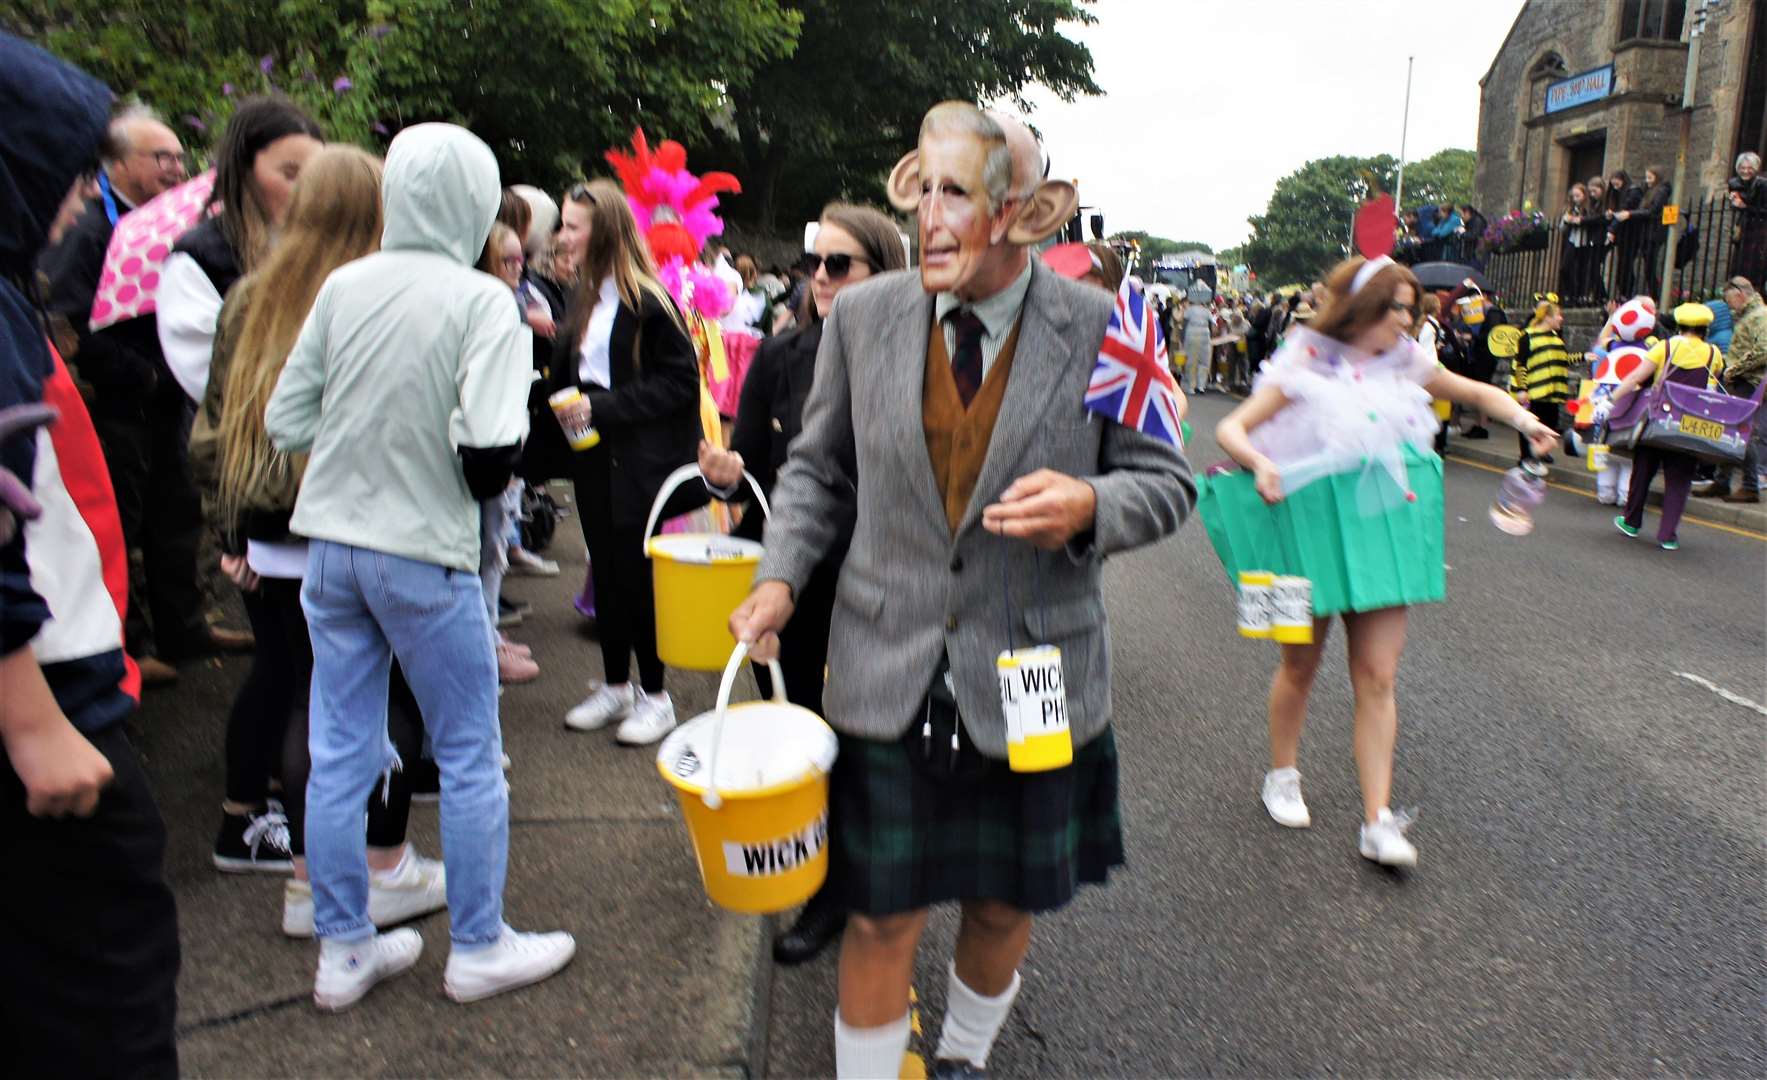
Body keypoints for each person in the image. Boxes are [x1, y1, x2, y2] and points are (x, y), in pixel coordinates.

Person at [728, 102, 1193, 1080]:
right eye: (925, 189)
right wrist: (779, 579)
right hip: (881, 661)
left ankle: (968, 1060)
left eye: (963, 192)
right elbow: (817, 473)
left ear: (1029, 210)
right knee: (880, 907)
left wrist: (1089, 503)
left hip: (1035, 668)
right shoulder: (861, 317)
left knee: (1001, 902)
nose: (934, 218)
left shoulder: (1109, 328)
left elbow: (1167, 484)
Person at [265, 122, 575, 1010]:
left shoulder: (344, 284)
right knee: (472, 753)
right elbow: (488, 451)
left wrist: (365, 439)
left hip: (330, 550)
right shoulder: (485, 302)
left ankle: (345, 947)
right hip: (425, 554)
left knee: (340, 754)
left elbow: (288, 421)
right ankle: (478, 943)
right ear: (480, 204)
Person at [1213, 255, 1556, 867]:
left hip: (1381, 530)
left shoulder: (1407, 360)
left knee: (1378, 675)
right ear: (1361, 305)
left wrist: (1526, 420)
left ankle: (1377, 820)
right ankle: (1283, 774)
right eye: (1395, 306)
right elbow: (1233, 429)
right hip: (1303, 528)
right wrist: (1260, 463)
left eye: (1410, 306)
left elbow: (1472, 389)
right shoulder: (1306, 357)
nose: (1408, 318)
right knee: (1299, 665)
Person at [196, 145, 443, 930]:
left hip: (270, 540)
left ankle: (307, 882)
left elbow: (214, 429)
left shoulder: (248, 298)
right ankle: (381, 867)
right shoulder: (383, 299)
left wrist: (231, 526)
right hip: (362, 530)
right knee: (383, 703)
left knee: (306, 702)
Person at [0, 33, 180, 1074]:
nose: (80, 204)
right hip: (49, 698)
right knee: (106, 988)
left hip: (63, 672)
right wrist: (31, 718)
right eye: (66, 176)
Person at [697, 202, 906, 970]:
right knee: (795, 724)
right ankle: (819, 869)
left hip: (878, 575)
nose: (818, 277)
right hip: (789, 573)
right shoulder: (783, 356)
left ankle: (847, 883)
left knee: (861, 733)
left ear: (885, 274)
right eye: (813, 263)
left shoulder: (917, 360)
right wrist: (721, 472)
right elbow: (751, 461)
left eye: (840, 264)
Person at [37, 102, 223, 684]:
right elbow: (68, 327)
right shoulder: (91, 230)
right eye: (159, 156)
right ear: (117, 164)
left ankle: (185, 627)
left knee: (178, 515)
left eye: (178, 155)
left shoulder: (166, 226)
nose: (175, 166)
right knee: (122, 522)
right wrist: (141, 375)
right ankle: (129, 645)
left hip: (164, 402)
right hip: (118, 407)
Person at [554, 179, 704, 746]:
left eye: (573, 225)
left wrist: (603, 405)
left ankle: (657, 696)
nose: (563, 236)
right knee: (605, 573)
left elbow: (681, 382)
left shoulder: (648, 300)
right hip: (593, 458)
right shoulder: (583, 296)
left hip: (639, 464)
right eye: (563, 223)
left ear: (605, 230)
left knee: (636, 579)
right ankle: (616, 686)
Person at [159, 96, 324, 404]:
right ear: (246, 172)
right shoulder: (198, 258)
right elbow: (211, 377)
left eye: (317, 174)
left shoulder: (324, 248)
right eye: (290, 174)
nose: (307, 188)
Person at [1612, 303, 1725, 550]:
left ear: (1679, 325)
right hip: (1689, 426)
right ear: (1705, 329)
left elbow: (1635, 378)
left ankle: (1631, 522)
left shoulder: (1664, 347)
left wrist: (1610, 400)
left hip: (1656, 421)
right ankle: (1667, 536)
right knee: (1679, 480)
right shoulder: (1713, 354)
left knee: (1642, 470)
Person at [1710, 276, 1765, 502]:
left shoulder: (1760, 316)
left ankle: (1750, 486)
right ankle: (1722, 481)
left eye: (1729, 300)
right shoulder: (1748, 316)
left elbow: (1763, 350)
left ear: (1740, 294)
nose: (1729, 305)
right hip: (1743, 380)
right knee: (1730, 430)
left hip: (1749, 382)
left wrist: (1733, 369)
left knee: (1744, 432)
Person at [1509, 298, 1570, 465]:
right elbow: (1520, 364)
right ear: (1547, 318)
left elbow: (1563, 359)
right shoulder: (1527, 336)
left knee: (1549, 425)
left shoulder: (1556, 338)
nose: (1561, 319)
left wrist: (1583, 357)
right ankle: (1526, 457)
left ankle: (1541, 453)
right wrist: (1522, 388)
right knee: (1530, 426)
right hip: (1534, 392)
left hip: (1553, 393)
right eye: (1558, 315)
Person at [1605, 170, 1646, 298]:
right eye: (1612, 180)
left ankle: (1627, 294)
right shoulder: (1617, 194)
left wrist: (1612, 229)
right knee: (1623, 265)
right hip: (1623, 235)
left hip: (1631, 234)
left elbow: (1626, 209)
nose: (1613, 182)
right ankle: (1624, 293)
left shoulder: (1633, 191)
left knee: (1625, 265)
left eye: (1616, 179)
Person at [1729, 152, 1766, 290]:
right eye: (1742, 168)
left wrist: (1744, 206)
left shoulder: (1762, 185)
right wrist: (1733, 201)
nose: (1745, 171)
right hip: (1744, 227)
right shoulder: (1734, 183)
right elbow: (1734, 206)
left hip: (1760, 229)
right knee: (1739, 263)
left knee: (1755, 264)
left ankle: (1756, 289)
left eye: (1750, 168)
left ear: (1756, 169)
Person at [1559, 183, 1598, 306]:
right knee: (1565, 268)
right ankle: (1569, 294)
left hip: (1585, 242)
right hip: (1572, 241)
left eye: (1578, 196)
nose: (1575, 199)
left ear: (1584, 196)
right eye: (1574, 196)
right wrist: (1567, 221)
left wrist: (1580, 220)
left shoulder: (1590, 209)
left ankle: (1580, 297)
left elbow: (1594, 221)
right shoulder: (1570, 209)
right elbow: (1562, 228)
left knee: (1583, 270)